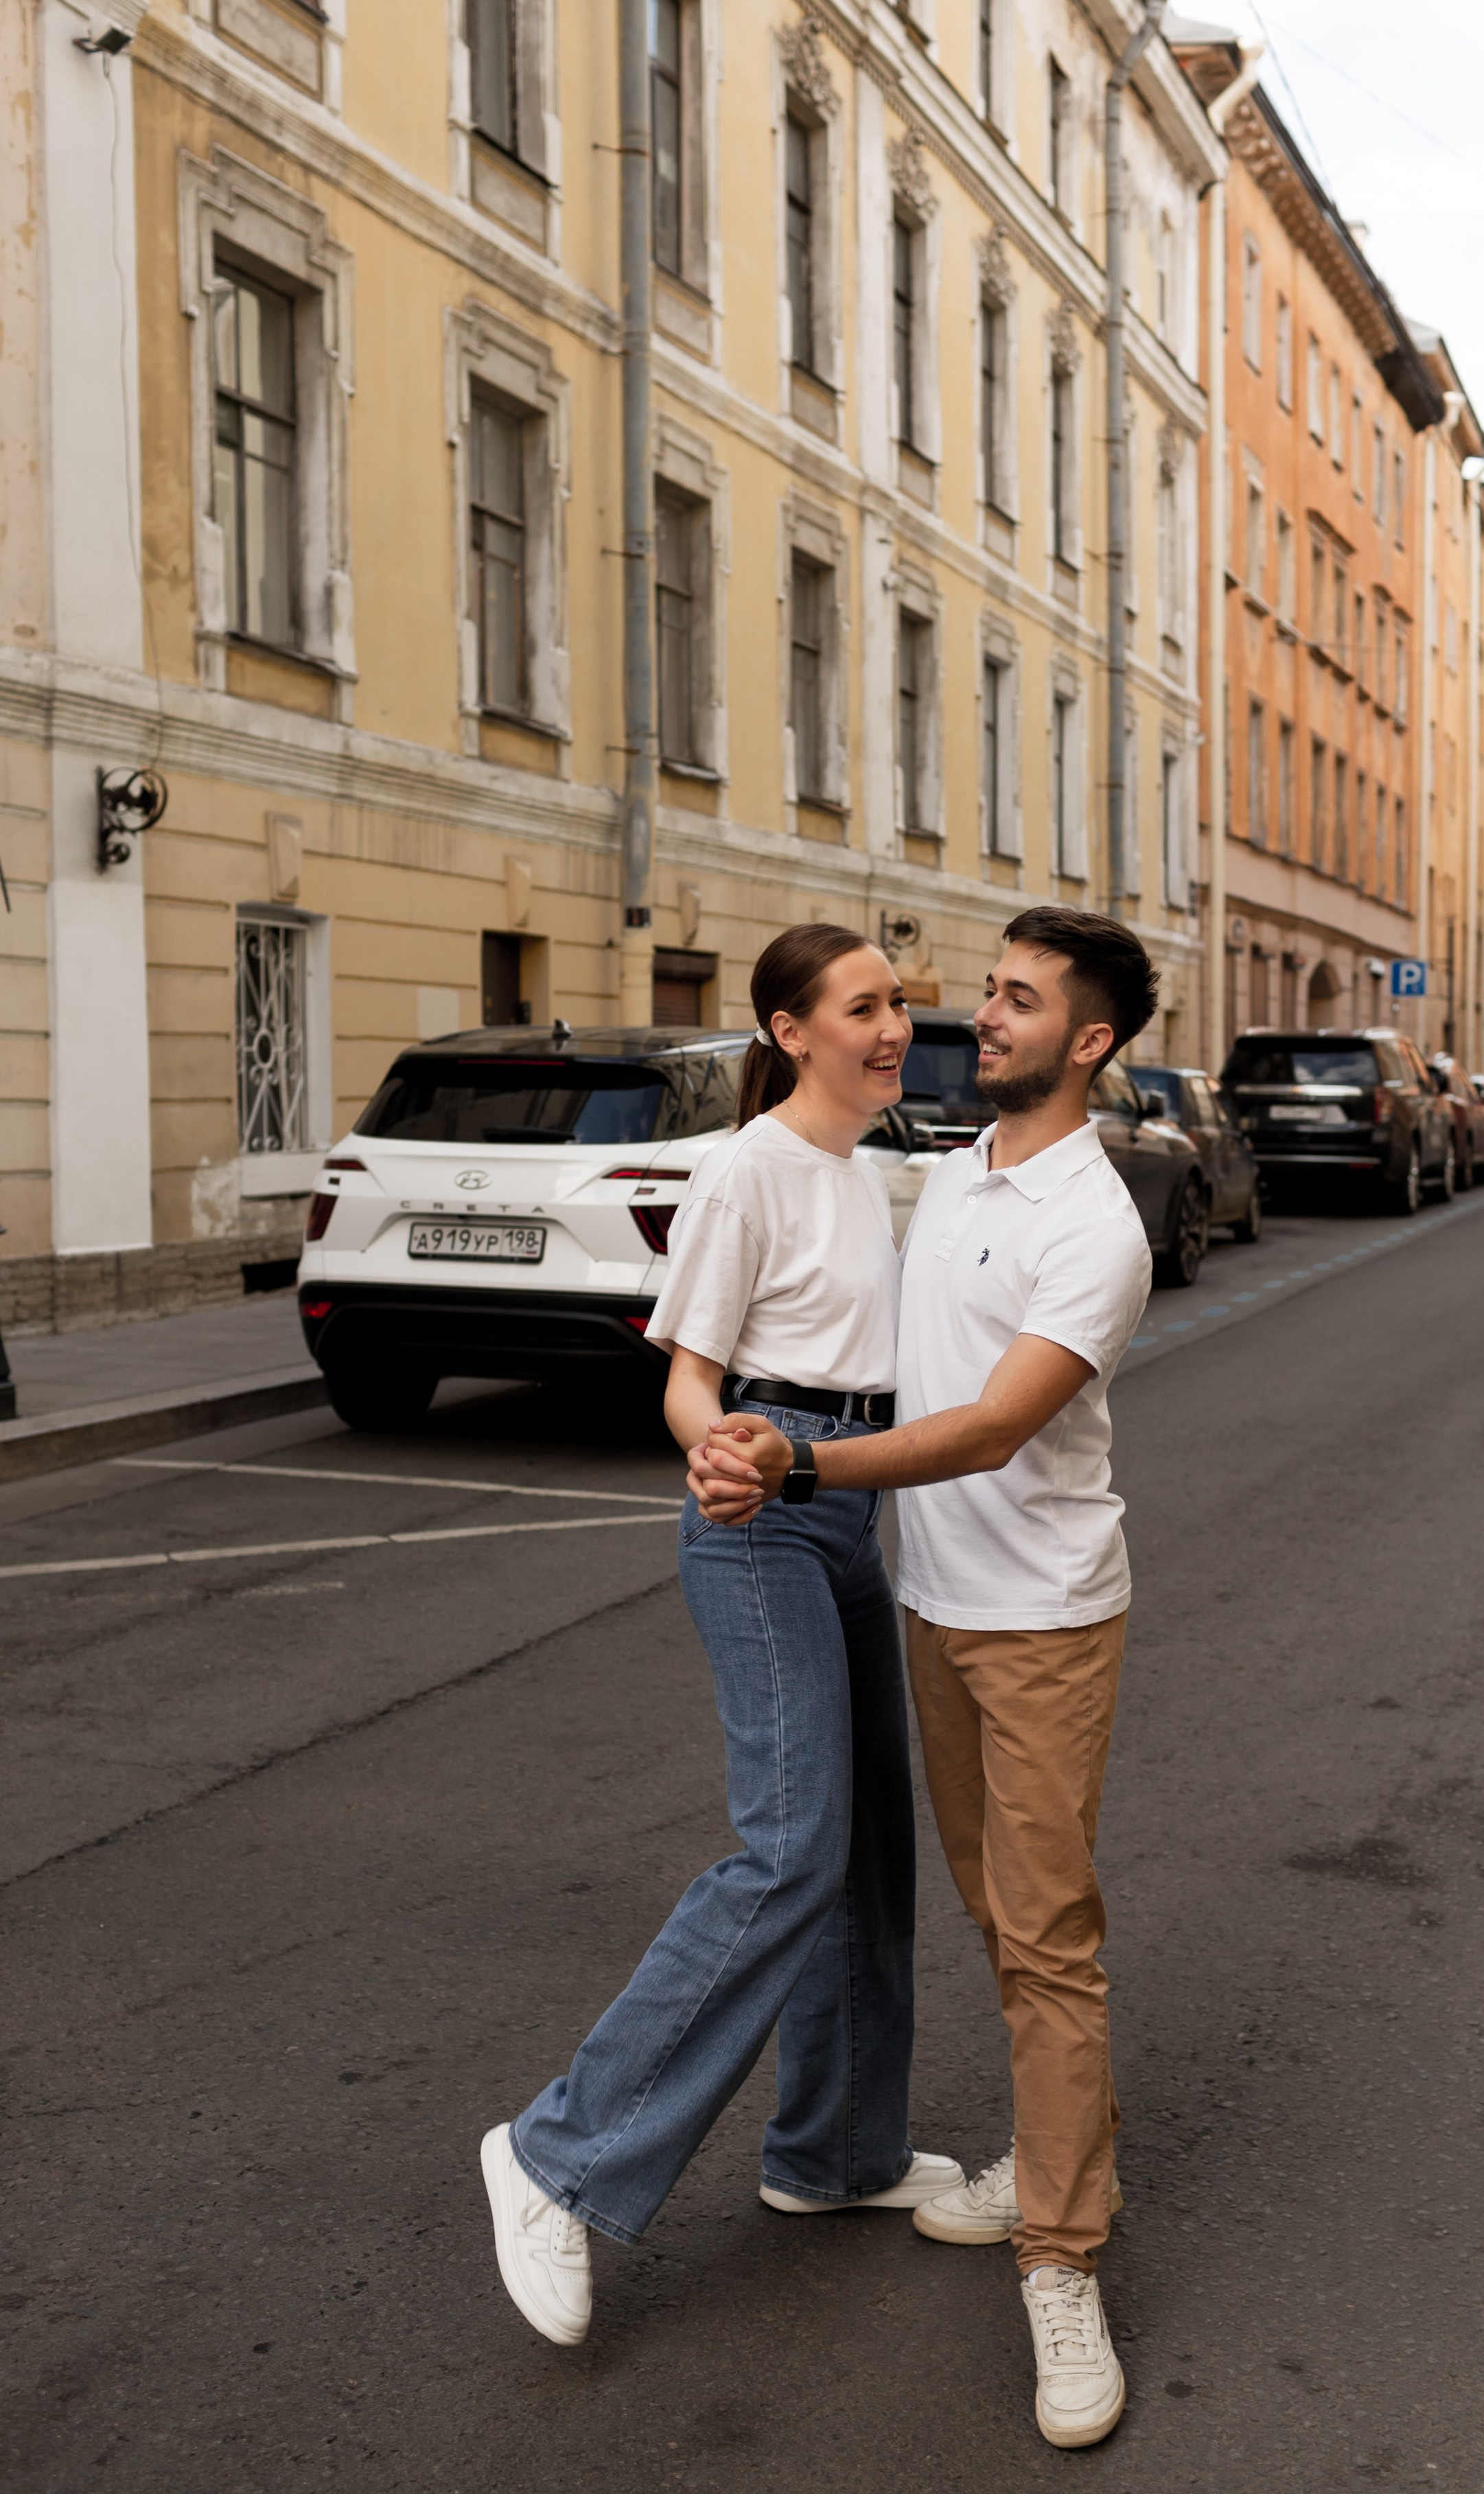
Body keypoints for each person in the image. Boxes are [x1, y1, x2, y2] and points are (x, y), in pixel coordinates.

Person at [693, 906, 1157, 2451]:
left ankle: (1060, 2256)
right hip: (935, 1606)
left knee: (1043, 1941)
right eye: (992, 993)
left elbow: (982, 1428)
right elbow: (818, 1258)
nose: (984, 1017)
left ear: (1086, 1041)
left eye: (1019, 1002)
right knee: (989, 1909)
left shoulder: (1096, 1225)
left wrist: (801, 1461)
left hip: (1036, 1621)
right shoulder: (952, 1174)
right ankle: (1053, 2157)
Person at [480, 922, 962, 2350]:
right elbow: (691, 1380)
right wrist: (723, 1458)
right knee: (793, 1843)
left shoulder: (862, 1169)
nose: (891, 1029)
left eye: (896, 1006)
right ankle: (556, 2155)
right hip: (763, 1509)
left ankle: (832, 2155)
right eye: (862, 1008)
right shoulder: (751, 1164)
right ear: (788, 1027)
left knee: (871, 1847)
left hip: (845, 1507)